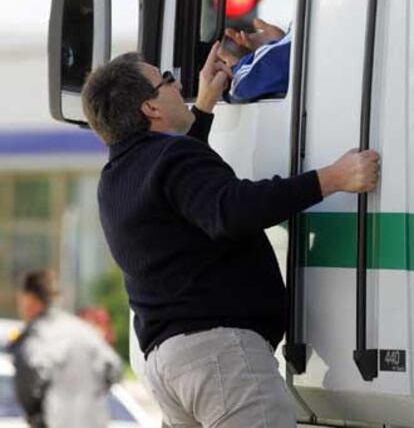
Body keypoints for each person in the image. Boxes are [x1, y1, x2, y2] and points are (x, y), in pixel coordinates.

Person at [80, 43, 379, 428]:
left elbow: (187, 188)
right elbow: (230, 209)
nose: (178, 84)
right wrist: (331, 178)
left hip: (168, 367)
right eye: (167, 80)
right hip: (218, 358)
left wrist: (203, 109)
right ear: (150, 109)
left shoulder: (117, 176)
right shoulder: (171, 161)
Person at [9, 270, 122, 428]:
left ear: (30, 299)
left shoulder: (34, 337)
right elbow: (114, 369)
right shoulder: (84, 330)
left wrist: (37, 415)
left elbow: (28, 386)